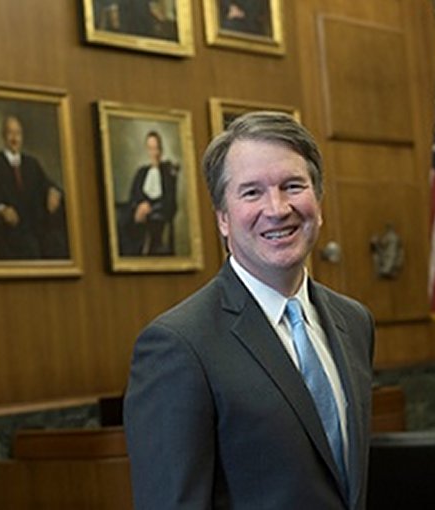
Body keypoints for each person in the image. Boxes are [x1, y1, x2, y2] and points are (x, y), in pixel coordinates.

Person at [124, 112, 375, 509]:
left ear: (319, 203)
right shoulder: (178, 346)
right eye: (251, 193)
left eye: (293, 186)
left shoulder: (355, 322)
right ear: (223, 219)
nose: (277, 209)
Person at [0, 115, 67, 260]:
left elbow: (47, 184)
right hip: (7, 240)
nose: (14, 138)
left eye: (18, 133)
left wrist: (53, 191)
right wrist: (1, 210)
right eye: (10, 133)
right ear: (3, 136)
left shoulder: (32, 164)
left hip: (35, 238)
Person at [121, 131, 178, 256]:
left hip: (157, 214)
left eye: (156, 148)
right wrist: (138, 208)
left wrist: (149, 209)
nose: (154, 153)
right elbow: (134, 195)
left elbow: (170, 202)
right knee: (123, 223)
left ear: (161, 150)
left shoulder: (167, 174)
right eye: (151, 149)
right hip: (138, 213)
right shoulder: (141, 172)